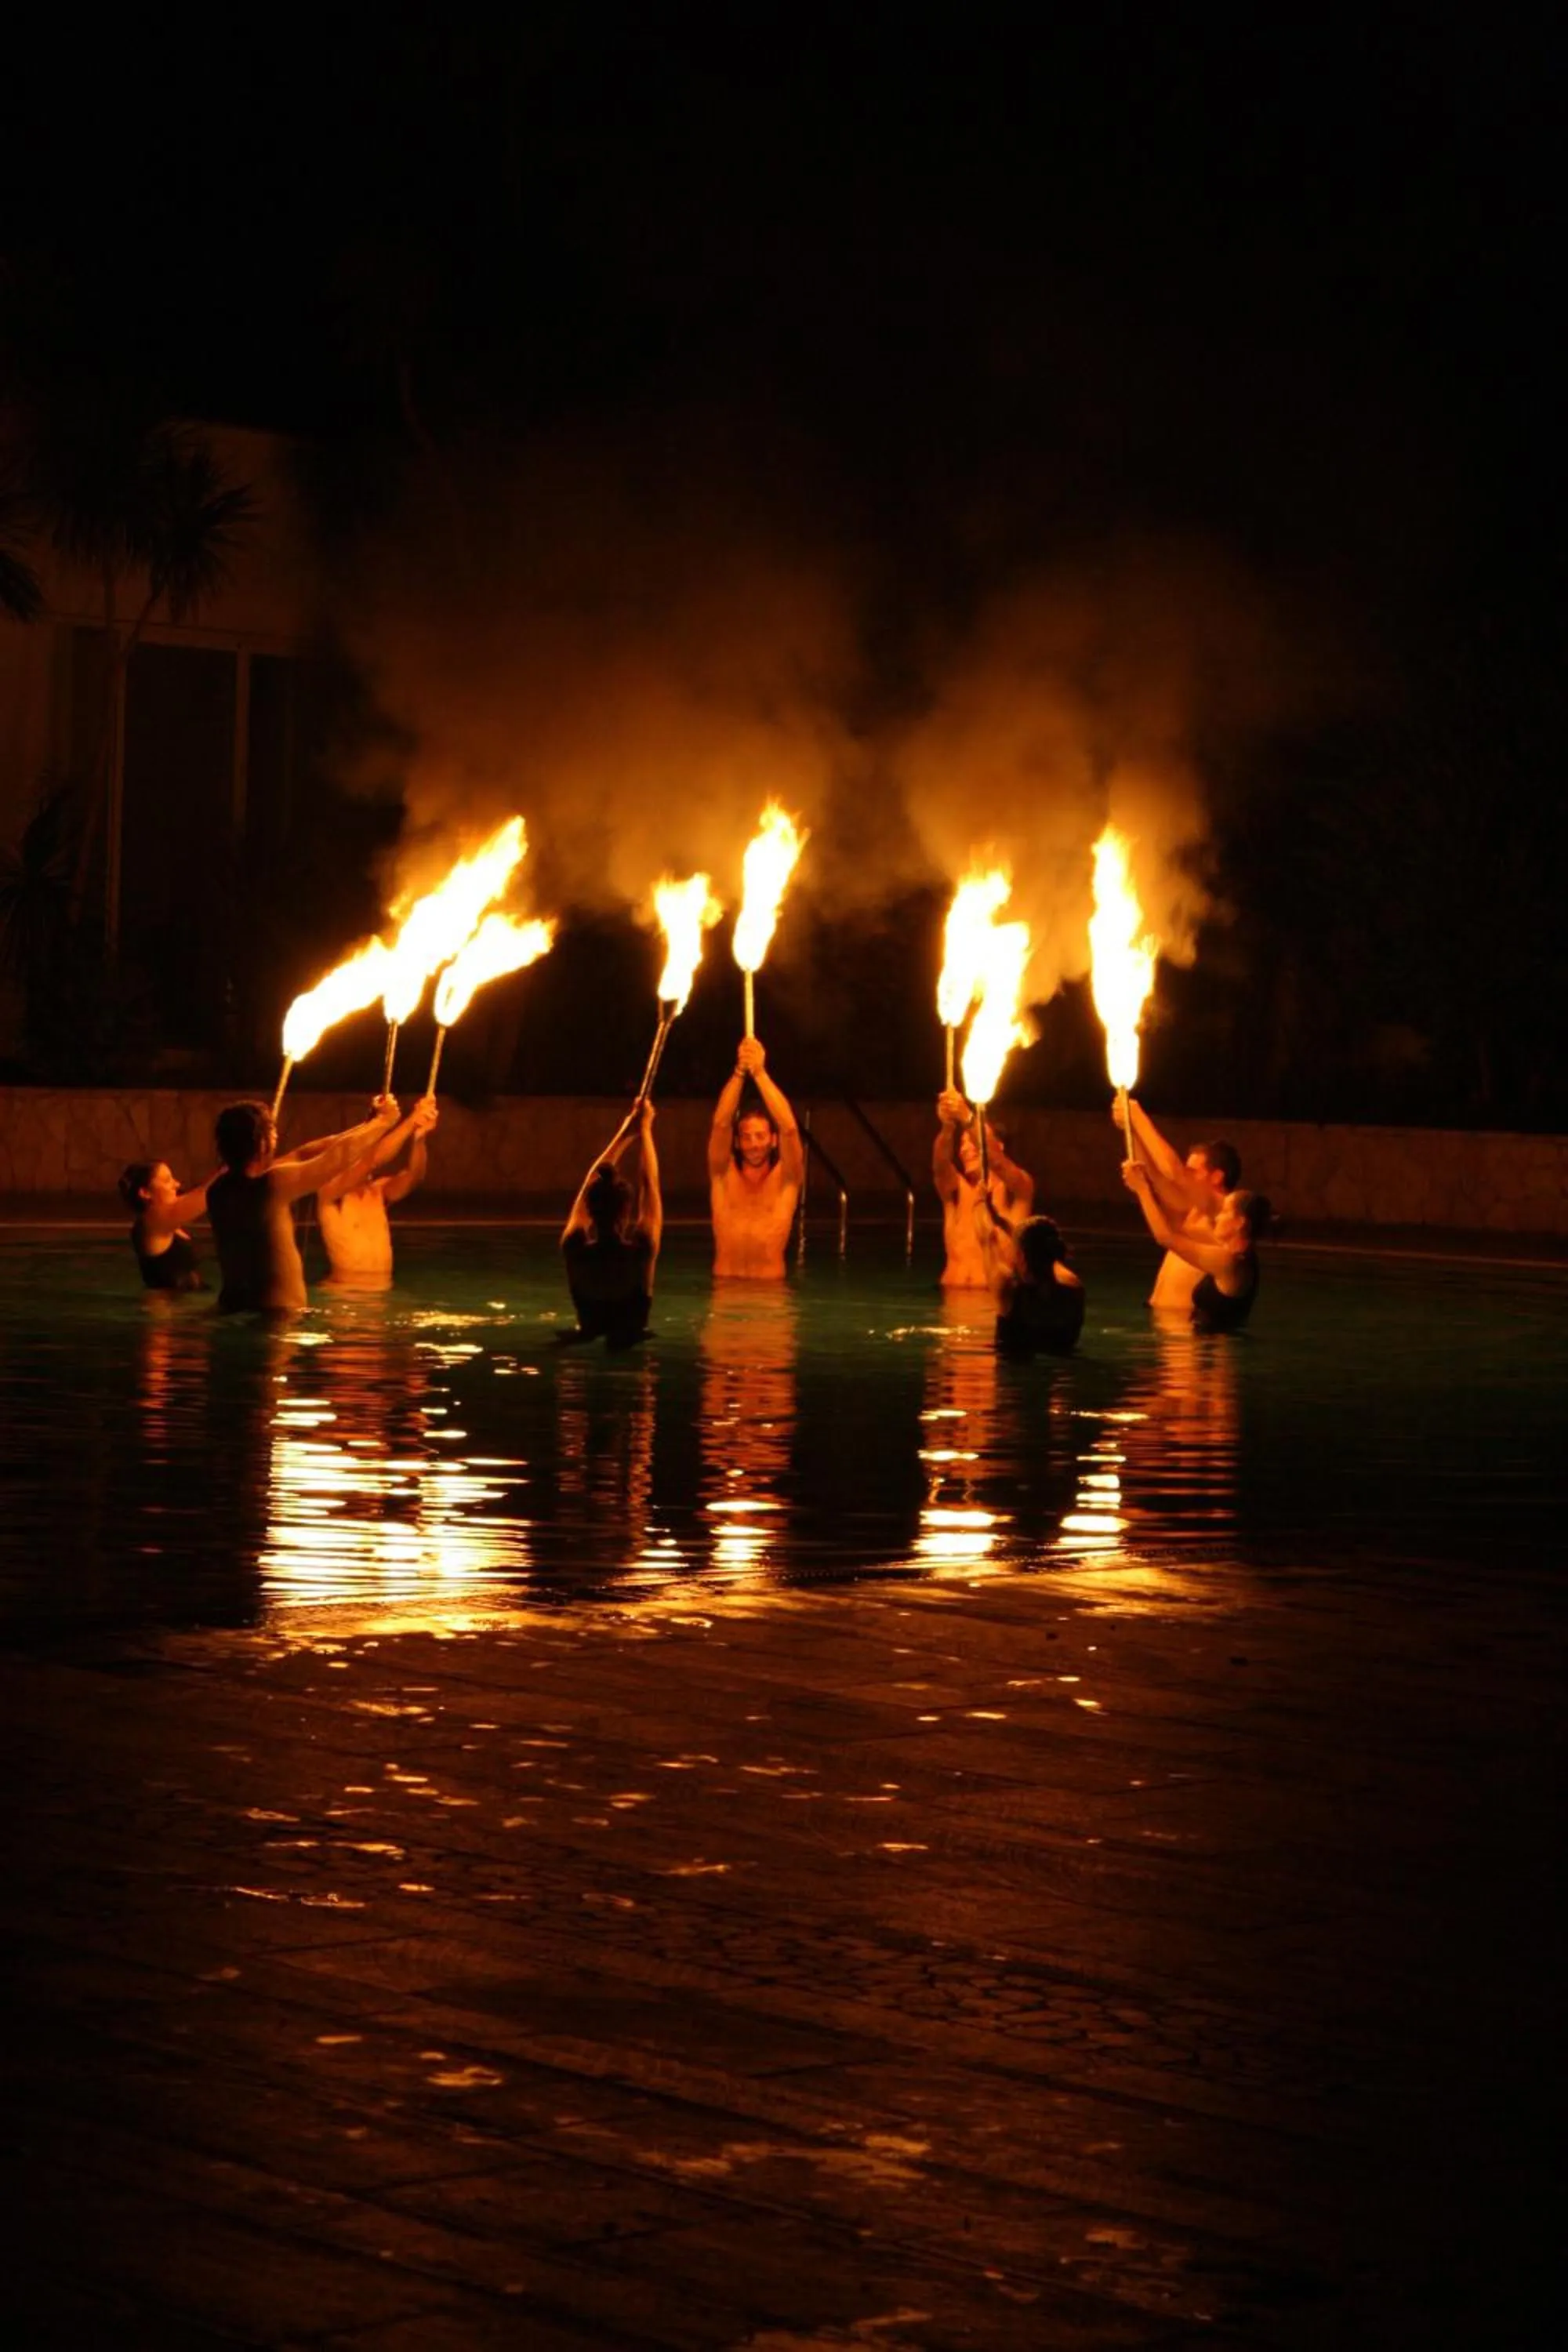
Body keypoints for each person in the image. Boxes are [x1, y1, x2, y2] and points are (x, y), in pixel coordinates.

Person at [206, 1094, 401, 1315]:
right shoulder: (273, 1184)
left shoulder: (218, 1191)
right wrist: (384, 1123)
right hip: (276, 1317)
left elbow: (305, 1153)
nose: (276, 1135)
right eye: (271, 1131)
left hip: (230, 1308)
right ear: (262, 1143)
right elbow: (335, 1158)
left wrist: (368, 1126)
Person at [1116, 1098, 1242, 1312]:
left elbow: (1172, 1172)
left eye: (1193, 1171)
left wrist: (1139, 1117)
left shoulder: (1224, 1215)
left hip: (1188, 1336)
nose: (1187, 1176)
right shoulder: (1191, 1212)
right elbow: (1156, 1176)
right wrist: (1131, 1129)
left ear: (1217, 1177)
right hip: (1164, 1327)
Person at [1122, 1159, 1273, 1332]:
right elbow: (1179, 1226)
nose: (1217, 1218)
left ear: (1239, 1223)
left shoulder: (1229, 1261)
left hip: (1212, 1354)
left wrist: (1142, 1190)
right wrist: (1147, 1179)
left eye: (1224, 1212)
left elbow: (1165, 1238)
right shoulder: (1238, 1255)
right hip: (1206, 1351)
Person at [561, 1097, 662, 1346]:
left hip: (583, 1348)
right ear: (626, 1212)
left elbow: (590, 1183)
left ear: (591, 1209)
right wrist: (645, 1130)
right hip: (632, 1354)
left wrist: (626, 1132)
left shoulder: (574, 1249)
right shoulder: (641, 1252)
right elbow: (650, 1186)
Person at [318, 1096, 440, 1290]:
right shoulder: (330, 1193)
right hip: (345, 1295)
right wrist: (412, 1120)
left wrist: (419, 1139)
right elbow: (372, 1160)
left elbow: (414, 1177)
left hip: (382, 1294)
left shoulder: (379, 1191)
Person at [709, 1036, 804, 1279]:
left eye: (760, 1136)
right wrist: (740, 1072)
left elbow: (790, 1129)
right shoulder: (722, 1175)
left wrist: (760, 1073)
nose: (754, 1145)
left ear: (773, 1140)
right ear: (738, 1143)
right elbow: (721, 1123)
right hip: (725, 1298)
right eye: (747, 1137)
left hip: (770, 1302)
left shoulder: (787, 1179)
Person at [933, 1087, 1035, 1288]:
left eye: (970, 1141)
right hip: (951, 1309)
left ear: (1000, 1145)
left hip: (992, 1308)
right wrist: (947, 1128)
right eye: (961, 1144)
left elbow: (995, 1160)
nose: (963, 1149)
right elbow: (940, 1164)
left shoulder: (1018, 1191)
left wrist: (967, 1116)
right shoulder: (956, 1191)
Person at [975, 1196, 1085, 1356]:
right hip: (1059, 1375)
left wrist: (978, 1201)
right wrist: (1004, 1223)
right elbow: (1042, 1251)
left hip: (1015, 1375)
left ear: (1020, 1254)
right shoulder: (1074, 1287)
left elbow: (988, 1239)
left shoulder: (1009, 1289)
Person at [118, 1160, 212, 1292]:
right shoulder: (152, 1223)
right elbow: (206, 1193)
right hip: (169, 1309)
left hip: (179, 1306)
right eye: (167, 1180)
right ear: (145, 1192)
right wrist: (235, 1163)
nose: (177, 1184)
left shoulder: (163, 1223)